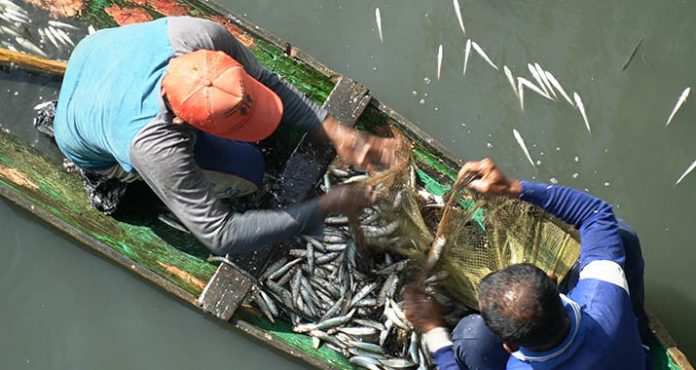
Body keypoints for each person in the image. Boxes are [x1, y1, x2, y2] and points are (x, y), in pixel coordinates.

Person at [52, 16, 397, 256]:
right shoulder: (155, 145)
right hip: (92, 140)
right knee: (251, 169)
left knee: (253, 150)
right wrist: (322, 207)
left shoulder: (199, 36)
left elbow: (269, 81)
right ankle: (145, 186)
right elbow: (220, 234)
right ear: (185, 124)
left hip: (93, 53)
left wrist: (343, 136)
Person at [403, 158, 650, 370]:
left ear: (509, 347)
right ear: (553, 280)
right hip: (622, 349)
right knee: (620, 234)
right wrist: (512, 187)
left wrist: (434, 330)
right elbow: (595, 214)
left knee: (471, 336)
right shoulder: (605, 295)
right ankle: (641, 334)